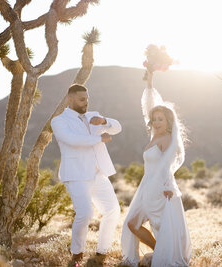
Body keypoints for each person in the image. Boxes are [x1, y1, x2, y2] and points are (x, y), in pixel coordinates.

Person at [121, 71, 192, 267]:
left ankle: (164, 256)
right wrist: (150, 82)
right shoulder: (154, 136)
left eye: (161, 119)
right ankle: (160, 251)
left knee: (160, 226)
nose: (157, 122)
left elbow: (168, 165)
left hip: (161, 188)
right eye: (154, 119)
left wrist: (168, 187)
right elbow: (149, 107)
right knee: (132, 224)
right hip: (147, 186)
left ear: (168, 121)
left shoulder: (167, 138)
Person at [51, 84, 122, 266]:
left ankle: (102, 252)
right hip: (76, 174)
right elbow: (71, 140)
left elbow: (117, 128)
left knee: (113, 210)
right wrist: (99, 138)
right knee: (85, 213)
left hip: (98, 173)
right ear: (70, 99)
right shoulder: (59, 121)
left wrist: (104, 121)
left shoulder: (93, 116)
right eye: (82, 99)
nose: (86, 103)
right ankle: (77, 254)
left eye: (87, 99)